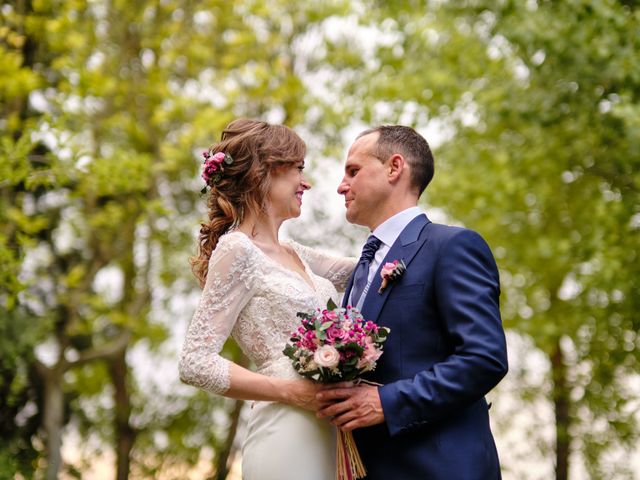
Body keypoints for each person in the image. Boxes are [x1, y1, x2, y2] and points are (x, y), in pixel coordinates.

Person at [316, 125, 509, 479]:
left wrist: (386, 403)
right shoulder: (361, 270)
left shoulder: (452, 246)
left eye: (353, 171)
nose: (342, 186)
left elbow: (484, 358)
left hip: (438, 466)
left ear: (394, 168)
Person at [179, 119, 356, 480]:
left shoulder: (296, 253)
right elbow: (195, 361)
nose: (306, 183)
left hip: (331, 431)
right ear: (264, 173)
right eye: (298, 170)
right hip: (286, 428)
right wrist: (292, 392)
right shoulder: (237, 250)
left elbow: (366, 268)